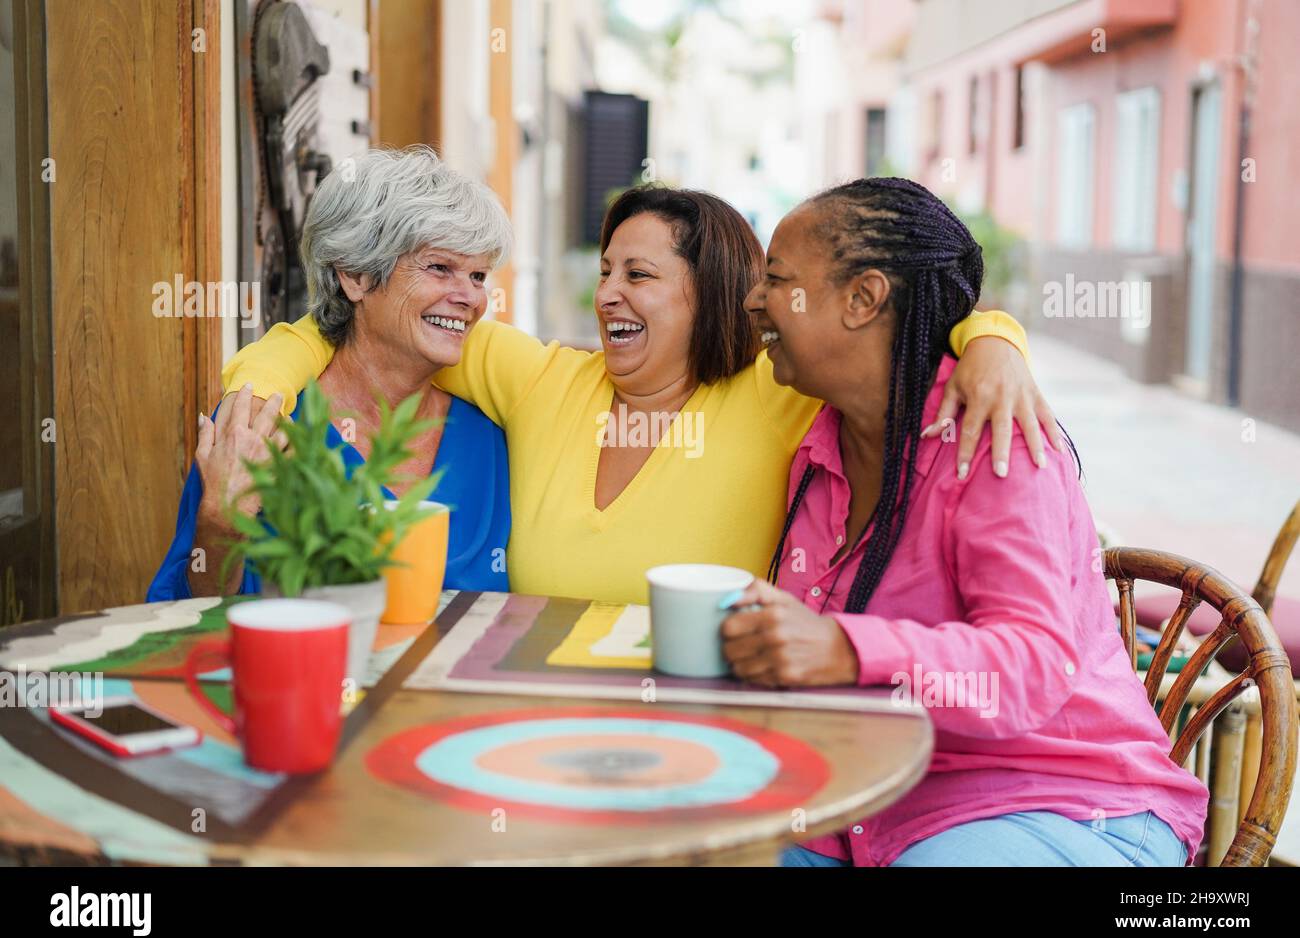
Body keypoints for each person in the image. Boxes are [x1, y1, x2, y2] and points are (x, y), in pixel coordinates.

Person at [220, 185, 1054, 604]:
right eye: (607, 271)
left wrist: (992, 340)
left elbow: (904, 328)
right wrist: (257, 388)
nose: (609, 294)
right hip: (534, 730)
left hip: (700, 737)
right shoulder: (543, 378)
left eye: (641, 275)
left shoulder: (778, 392)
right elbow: (372, 327)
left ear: (714, 292)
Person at [721, 177, 1209, 866]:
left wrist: (843, 647)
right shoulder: (817, 449)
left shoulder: (997, 441)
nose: (754, 298)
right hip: (877, 800)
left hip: (1062, 798)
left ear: (863, 298)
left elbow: (1032, 666)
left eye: (775, 278)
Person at [147, 147, 512, 600]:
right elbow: (188, 614)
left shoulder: (489, 435)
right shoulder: (258, 421)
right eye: (439, 267)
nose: (470, 297)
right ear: (355, 276)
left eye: (478, 276)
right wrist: (221, 519)